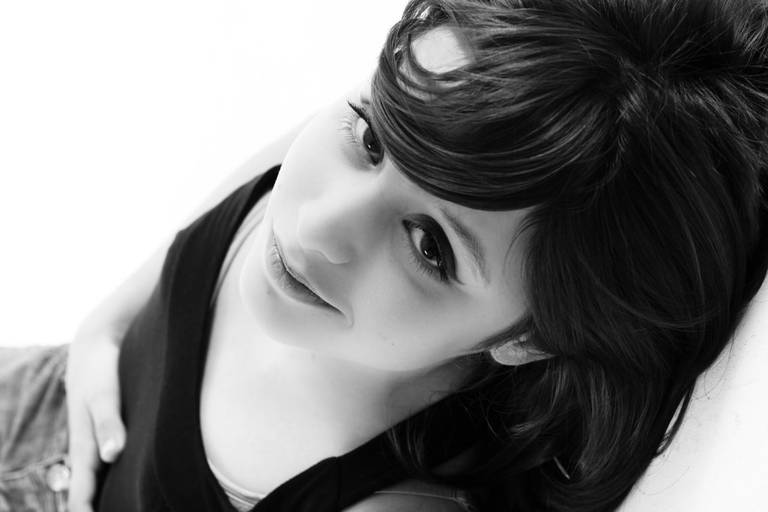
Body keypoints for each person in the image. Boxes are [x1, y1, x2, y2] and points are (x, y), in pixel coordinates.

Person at [2, 0, 767, 510]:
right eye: (374, 137)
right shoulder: (390, 134)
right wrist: (107, 322)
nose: (320, 224)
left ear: (530, 336)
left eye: (429, 246)